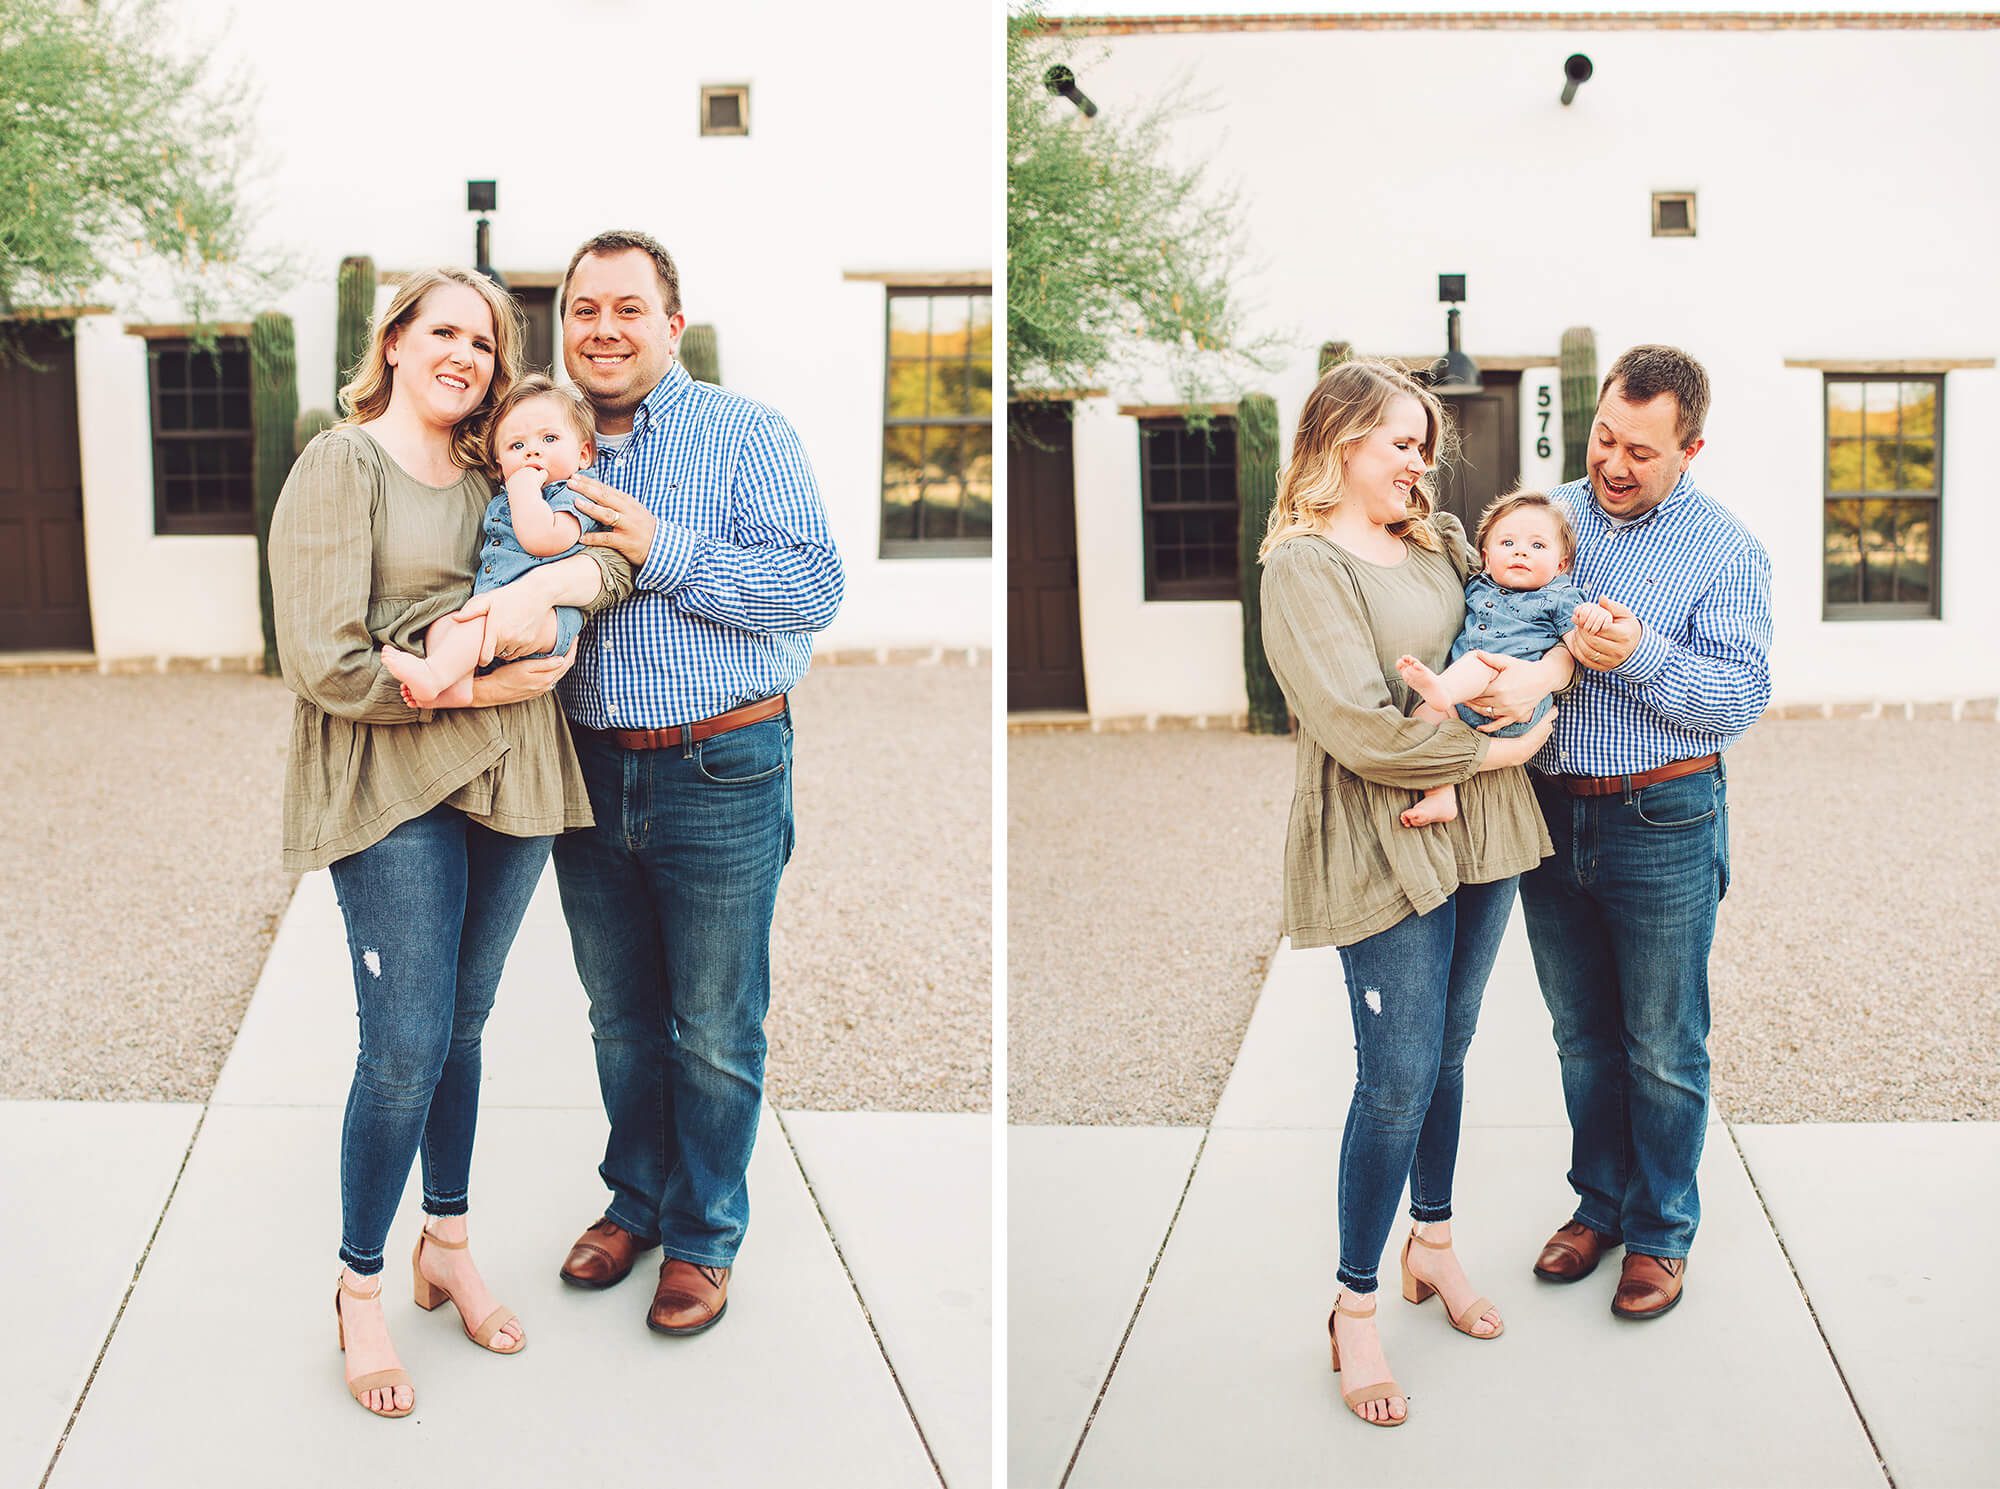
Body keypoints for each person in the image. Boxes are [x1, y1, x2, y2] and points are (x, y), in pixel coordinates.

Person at [270, 267, 632, 1418]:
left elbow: (612, 555)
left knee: (463, 1027)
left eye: (484, 340)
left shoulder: (499, 467)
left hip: (513, 777)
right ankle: (360, 1289)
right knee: (403, 1044)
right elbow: (325, 659)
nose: (465, 354)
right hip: (392, 780)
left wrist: (560, 585)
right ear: (393, 341)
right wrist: (491, 673)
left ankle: (448, 1243)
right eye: (444, 332)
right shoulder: (341, 462)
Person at [533, 230, 844, 1336]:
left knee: (713, 1020)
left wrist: (663, 547)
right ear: (561, 324)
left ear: (671, 323)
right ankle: (637, 1198)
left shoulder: (746, 435)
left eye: (626, 308)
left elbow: (812, 587)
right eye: (582, 310)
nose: (602, 330)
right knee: (619, 1016)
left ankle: (705, 1235)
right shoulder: (535, 445)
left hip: (721, 761)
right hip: (581, 766)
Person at [1257, 358, 1570, 1427]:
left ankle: (1431, 1246)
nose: (1419, 463)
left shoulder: (1436, 540)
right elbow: (1354, 725)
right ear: (1342, 440)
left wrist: (1546, 681)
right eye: (1401, 442)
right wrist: (1494, 754)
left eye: (1424, 445)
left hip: (1477, 835)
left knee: (1449, 1049)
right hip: (1384, 832)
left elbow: (1527, 620)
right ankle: (1351, 1305)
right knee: (1392, 1075)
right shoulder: (1302, 569)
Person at [1518, 344, 1772, 1320]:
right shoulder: (1550, 516)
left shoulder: (1724, 548)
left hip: (1663, 814)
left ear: (1690, 446)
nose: (1611, 467)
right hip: (1548, 812)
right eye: (1602, 440)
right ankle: (1599, 1204)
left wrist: (1639, 654)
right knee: (1580, 1037)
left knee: (1661, 1041)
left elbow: (1737, 696)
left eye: (1640, 452)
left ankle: (1660, 1235)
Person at [381, 376, 602, 707]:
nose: (533, 451)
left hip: (550, 619)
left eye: (550, 438)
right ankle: (446, 687)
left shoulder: (574, 494)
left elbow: (542, 539)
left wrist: (524, 488)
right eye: (517, 446)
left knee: (478, 626)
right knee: (445, 625)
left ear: (583, 453)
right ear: (499, 466)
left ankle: (434, 677)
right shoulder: (507, 494)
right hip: (495, 607)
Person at [1395, 490, 1611, 827]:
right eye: (1507, 543)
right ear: (1486, 556)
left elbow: (1577, 647)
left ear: (1561, 564)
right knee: (1423, 718)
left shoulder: (1560, 597)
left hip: (1518, 705)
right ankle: (1440, 795)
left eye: (1538, 546)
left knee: (1478, 661)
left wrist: (1593, 620)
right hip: (1466, 702)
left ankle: (1442, 689)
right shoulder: (1477, 585)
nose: (1521, 551)